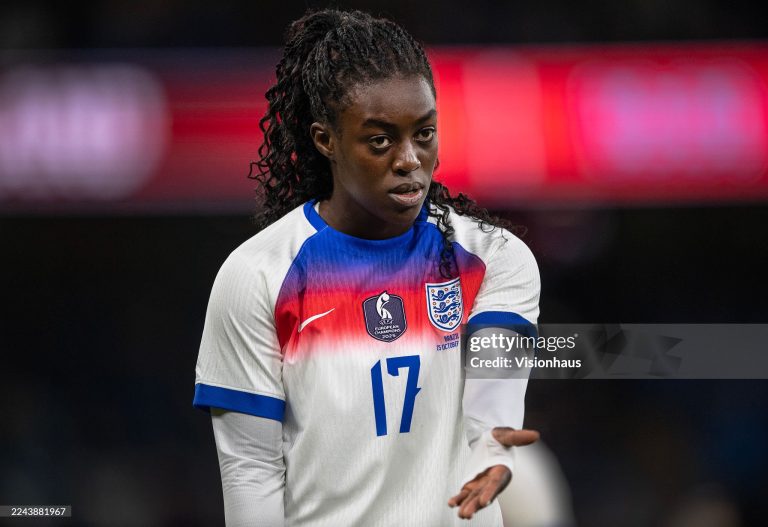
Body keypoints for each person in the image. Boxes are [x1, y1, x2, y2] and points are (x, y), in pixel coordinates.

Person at [193, 8, 541, 526]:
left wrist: (493, 447)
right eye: (381, 140)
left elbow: (493, 393)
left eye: (424, 133)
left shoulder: (493, 258)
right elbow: (251, 469)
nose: (409, 159)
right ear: (325, 140)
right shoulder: (258, 275)